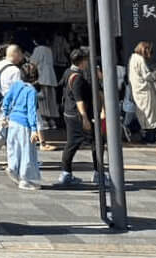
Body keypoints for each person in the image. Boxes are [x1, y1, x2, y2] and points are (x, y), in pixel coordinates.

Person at [57, 48, 102, 186]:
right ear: (82, 62)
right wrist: (85, 118)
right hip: (78, 115)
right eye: (86, 60)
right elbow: (79, 100)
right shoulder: (78, 78)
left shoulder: (68, 72)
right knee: (96, 142)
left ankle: (66, 173)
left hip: (69, 113)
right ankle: (98, 173)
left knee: (72, 143)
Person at [1, 61, 42, 189]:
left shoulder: (16, 85)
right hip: (24, 124)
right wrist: (34, 129)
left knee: (14, 147)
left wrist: (4, 115)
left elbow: (6, 100)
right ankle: (26, 179)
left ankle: (12, 167)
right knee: (27, 151)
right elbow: (31, 111)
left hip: (12, 121)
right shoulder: (31, 91)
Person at [0, 43, 24, 167]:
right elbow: (16, 91)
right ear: (16, 54)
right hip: (9, 105)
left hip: (0, 103)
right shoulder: (15, 70)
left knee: (3, 132)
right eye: (21, 53)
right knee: (2, 133)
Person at [128, 41, 156, 143]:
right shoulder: (140, 59)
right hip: (145, 90)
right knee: (150, 113)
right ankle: (150, 137)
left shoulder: (133, 58)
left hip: (137, 90)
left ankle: (145, 135)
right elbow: (146, 75)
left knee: (143, 113)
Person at [28, 38, 59, 139]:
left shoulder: (38, 49)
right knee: (50, 100)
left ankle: (44, 120)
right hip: (51, 76)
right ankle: (52, 121)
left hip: (42, 77)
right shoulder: (48, 49)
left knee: (42, 100)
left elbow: (33, 63)